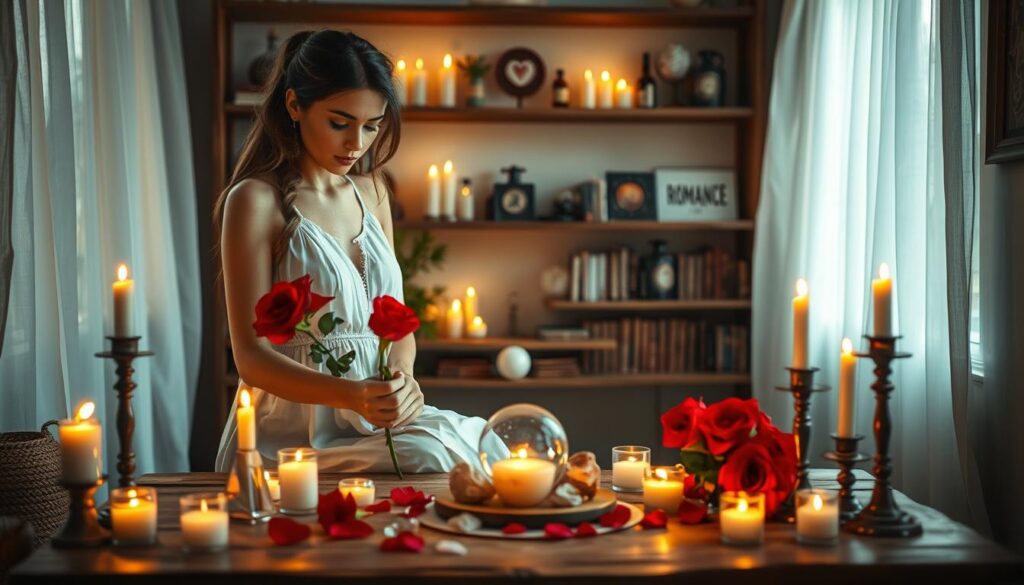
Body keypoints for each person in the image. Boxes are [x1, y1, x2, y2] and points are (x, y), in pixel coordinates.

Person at [213, 30, 506, 472]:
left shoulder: (373, 192)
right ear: (294, 105)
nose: (357, 143)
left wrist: (403, 383)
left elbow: (396, 323)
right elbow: (251, 359)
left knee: (486, 444)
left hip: (375, 417)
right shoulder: (254, 200)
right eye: (339, 123)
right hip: (295, 430)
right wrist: (352, 395)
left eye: (372, 125)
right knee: (430, 456)